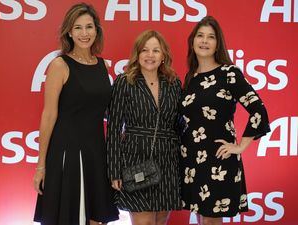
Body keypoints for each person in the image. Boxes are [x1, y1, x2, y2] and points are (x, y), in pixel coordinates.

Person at [33, 3, 119, 225]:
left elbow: (107, 111)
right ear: (69, 32)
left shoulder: (102, 65)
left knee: (95, 219)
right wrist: (41, 165)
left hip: (96, 152)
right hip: (66, 153)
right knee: (68, 217)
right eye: (78, 28)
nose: (84, 33)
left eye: (89, 27)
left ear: (96, 30)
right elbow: (49, 115)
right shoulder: (59, 65)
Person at [179, 16, 270, 225]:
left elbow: (258, 109)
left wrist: (240, 146)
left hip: (218, 159)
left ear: (218, 43)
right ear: (192, 41)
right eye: (200, 36)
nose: (204, 41)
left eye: (210, 37)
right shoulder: (190, 77)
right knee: (202, 218)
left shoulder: (229, 73)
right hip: (192, 159)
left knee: (212, 220)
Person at [107, 30, 182, 225]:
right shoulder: (125, 82)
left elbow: (179, 125)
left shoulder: (173, 83)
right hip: (135, 160)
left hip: (168, 161)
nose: (150, 55)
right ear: (137, 54)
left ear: (163, 55)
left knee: (159, 221)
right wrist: (114, 170)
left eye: (156, 50)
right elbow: (114, 128)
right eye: (145, 50)